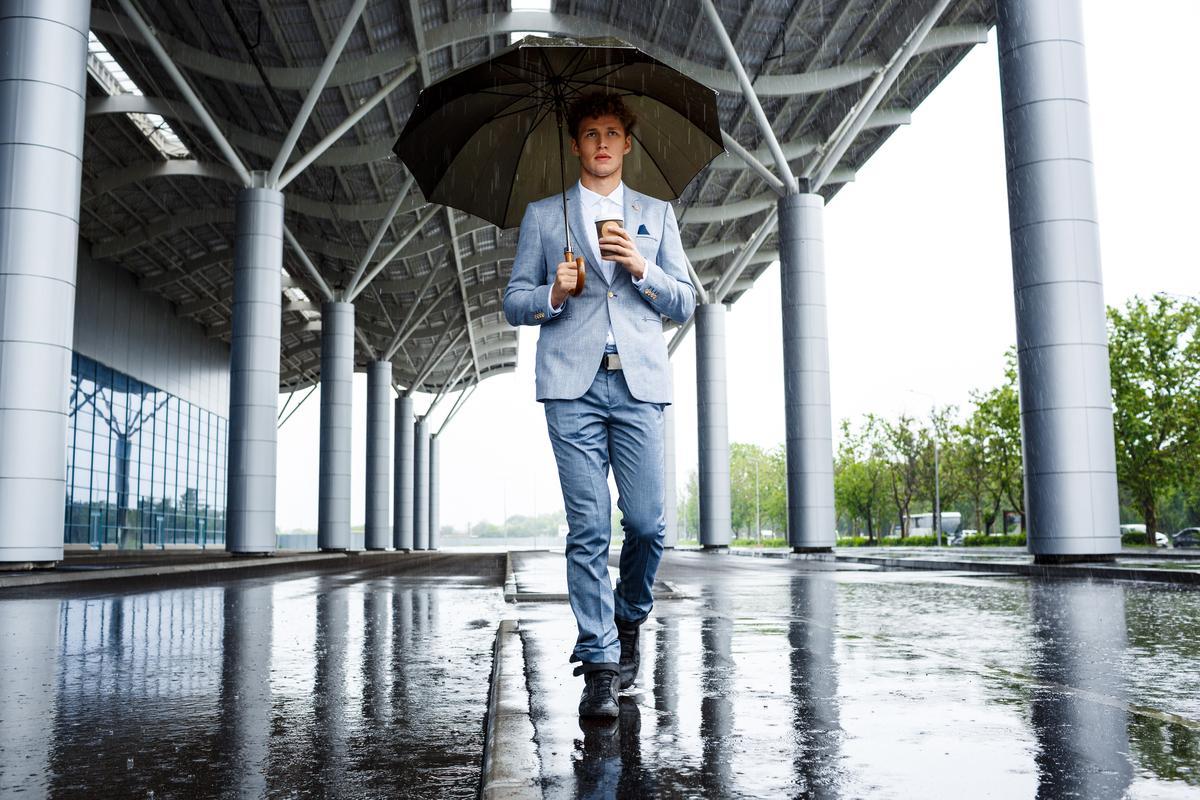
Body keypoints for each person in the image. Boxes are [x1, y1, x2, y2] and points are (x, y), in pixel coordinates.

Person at [503, 92, 696, 718]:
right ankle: (599, 664)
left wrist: (641, 267)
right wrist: (552, 293)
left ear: (627, 144)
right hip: (572, 387)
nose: (603, 143)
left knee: (646, 524)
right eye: (591, 133)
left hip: (639, 385)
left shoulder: (656, 215)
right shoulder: (545, 216)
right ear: (576, 144)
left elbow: (686, 301)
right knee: (587, 528)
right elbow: (513, 301)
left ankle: (628, 615)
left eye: (613, 133)